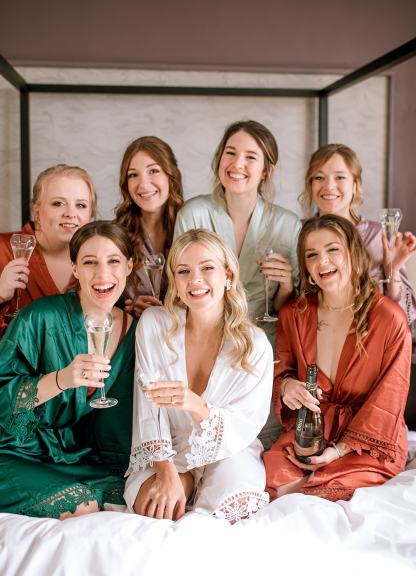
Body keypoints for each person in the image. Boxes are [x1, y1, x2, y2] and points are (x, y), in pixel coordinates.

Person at [124, 229, 273, 522]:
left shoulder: (254, 345)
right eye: (183, 271)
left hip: (228, 451)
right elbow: (148, 412)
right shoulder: (155, 325)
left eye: (207, 268)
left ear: (228, 275)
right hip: (164, 450)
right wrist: (169, 472)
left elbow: (245, 423)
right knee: (155, 511)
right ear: (175, 281)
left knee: (225, 517)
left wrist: (195, 404)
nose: (195, 280)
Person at [263, 214, 411, 502]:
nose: (323, 261)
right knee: (266, 487)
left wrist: (338, 450)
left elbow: (388, 402)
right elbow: (281, 373)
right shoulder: (294, 315)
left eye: (333, 250)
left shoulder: (390, 319)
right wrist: (287, 386)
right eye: (312, 255)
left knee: (311, 495)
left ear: (353, 253)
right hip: (310, 435)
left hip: (369, 443)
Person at [0, 221, 137, 519]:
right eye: (90, 262)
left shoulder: (133, 330)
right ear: (74, 268)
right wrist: (62, 379)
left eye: (113, 261)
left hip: (74, 456)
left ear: (129, 265)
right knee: (80, 503)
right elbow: (1, 399)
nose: (102, 274)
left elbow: (117, 422)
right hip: (11, 451)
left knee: (123, 498)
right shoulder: (40, 317)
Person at [174, 120, 301, 345]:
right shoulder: (193, 214)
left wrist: (286, 285)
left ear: (266, 171)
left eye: (250, 157)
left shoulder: (288, 225)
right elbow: (180, 288)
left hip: (266, 341)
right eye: (230, 153)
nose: (237, 164)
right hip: (206, 338)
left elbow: (290, 309)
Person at [298, 143, 416, 324]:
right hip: (312, 338)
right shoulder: (295, 233)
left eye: (340, 177)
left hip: (371, 340)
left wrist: (393, 271)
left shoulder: (379, 236)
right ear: (310, 184)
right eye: (319, 177)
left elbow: (404, 318)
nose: (329, 186)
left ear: (355, 184)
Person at [0, 163, 97, 337]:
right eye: (58, 203)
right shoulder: (3, 249)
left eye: (81, 205)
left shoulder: (99, 262)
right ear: (37, 211)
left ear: (91, 215)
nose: (71, 213)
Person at [115, 136, 184, 317]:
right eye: (133, 175)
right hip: (131, 337)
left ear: (171, 176)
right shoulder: (115, 237)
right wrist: (127, 309)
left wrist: (164, 312)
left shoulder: (191, 228)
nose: (143, 184)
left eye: (153, 171)